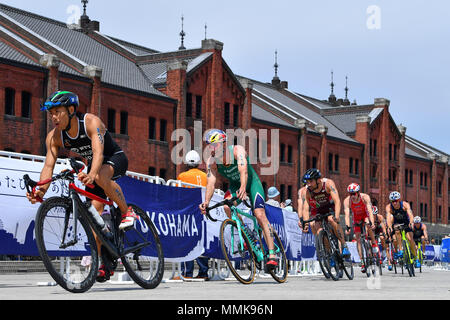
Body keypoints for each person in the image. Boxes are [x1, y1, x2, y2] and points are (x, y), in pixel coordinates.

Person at [25, 91, 136, 282]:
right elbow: (48, 166)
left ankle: (127, 211)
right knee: (94, 217)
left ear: (70, 110)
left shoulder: (91, 122)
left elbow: (98, 152)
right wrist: (40, 190)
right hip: (94, 167)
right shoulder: (54, 137)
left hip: (114, 159)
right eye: (51, 113)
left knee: (100, 175)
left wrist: (92, 174)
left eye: (57, 112)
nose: (53, 117)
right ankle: (103, 262)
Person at [198, 129, 279, 270]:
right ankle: (247, 235)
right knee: (227, 207)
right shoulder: (212, 161)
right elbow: (210, 182)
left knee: (259, 214)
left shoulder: (237, 150)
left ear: (223, 143)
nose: (212, 148)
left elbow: (244, 170)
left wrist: (243, 187)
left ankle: (272, 254)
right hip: (236, 186)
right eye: (210, 146)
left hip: (252, 183)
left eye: (215, 145)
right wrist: (206, 202)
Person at [300, 168, 350, 258]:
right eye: (307, 182)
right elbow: (306, 208)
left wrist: (337, 216)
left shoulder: (328, 184)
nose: (308, 184)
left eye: (311, 181)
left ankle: (344, 245)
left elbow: (337, 201)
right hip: (318, 209)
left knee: (332, 219)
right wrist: (306, 222)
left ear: (318, 180)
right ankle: (329, 252)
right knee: (318, 229)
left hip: (330, 207)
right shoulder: (307, 191)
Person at [177, 150, 209, 280]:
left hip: (188, 212)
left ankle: (187, 272)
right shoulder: (206, 176)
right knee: (202, 241)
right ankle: (203, 272)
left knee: (187, 240)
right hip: (203, 212)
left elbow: (179, 194)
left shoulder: (182, 176)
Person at [343, 183, 377, 273]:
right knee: (358, 239)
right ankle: (362, 262)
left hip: (365, 215)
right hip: (356, 218)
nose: (352, 196)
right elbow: (347, 215)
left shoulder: (365, 197)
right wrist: (347, 227)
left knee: (368, 224)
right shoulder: (347, 201)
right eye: (350, 194)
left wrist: (372, 222)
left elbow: (370, 210)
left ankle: (373, 242)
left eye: (354, 194)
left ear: (358, 193)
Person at [385, 191, 420, 268]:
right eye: (393, 201)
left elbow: (410, 214)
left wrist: (411, 223)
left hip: (406, 222)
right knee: (397, 231)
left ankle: (416, 258)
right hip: (397, 222)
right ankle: (400, 250)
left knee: (410, 239)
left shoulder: (405, 205)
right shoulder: (389, 207)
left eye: (396, 201)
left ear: (399, 200)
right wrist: (389, 227)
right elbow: (388, 218)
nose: (394, 203)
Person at [371, 206, 391, 270]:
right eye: (372, 214)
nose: (373, 216)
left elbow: (383, 228)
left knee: (382, 237)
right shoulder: (368, 218)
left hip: (379, 229)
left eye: (374, 214)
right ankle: (373, 256)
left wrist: (385, 235)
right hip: (371, 230)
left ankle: (384, 251)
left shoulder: (380, 217)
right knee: (370, 241)